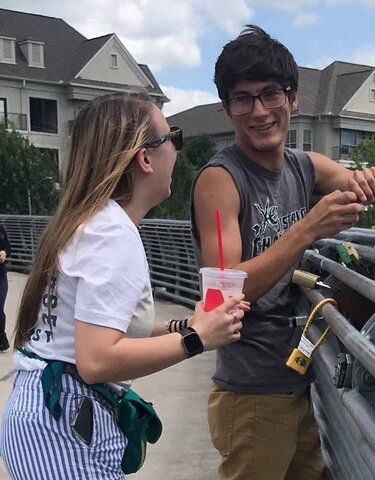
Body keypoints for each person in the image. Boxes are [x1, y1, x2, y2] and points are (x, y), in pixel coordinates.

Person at [191, 25, 375, 480]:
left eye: (270, 94)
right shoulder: (221, 180)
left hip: (302, 381)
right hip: (253, 395)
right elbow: (222, 294)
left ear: (293, 99)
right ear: (226, 108)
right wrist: (308, 228)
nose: (259, 111)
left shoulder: (305, 166)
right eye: (243, 99)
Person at [1, 92, 249, 480]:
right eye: (173, 139)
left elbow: (106, 326)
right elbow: (96, 360)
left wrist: (185, 325)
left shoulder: (90, 222)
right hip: (64, 425)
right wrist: (197, 339)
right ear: (145, 158)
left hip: (44, 415)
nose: (177, 152)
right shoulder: (112, 235)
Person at [0, 223, 11, 352]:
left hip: (1, 276)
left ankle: (1, 338)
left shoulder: (1, 229)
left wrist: (4, 252)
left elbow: (8, 247)